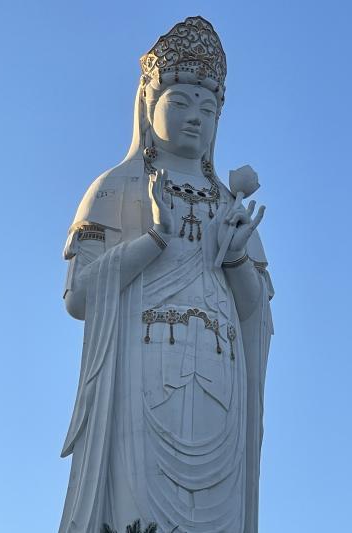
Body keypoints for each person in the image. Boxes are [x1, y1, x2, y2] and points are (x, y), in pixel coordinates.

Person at [59, 16, 274, 533]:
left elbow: (254, 311)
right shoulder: (117, 186)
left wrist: (235, 256)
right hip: (142, 374)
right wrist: (154, 239)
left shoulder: (229, 203)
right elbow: (79, 296)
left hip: (221, 383)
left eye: (208, 108)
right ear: (147, 104)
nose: (196, 118)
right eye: (180, 103)